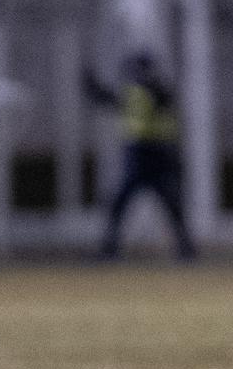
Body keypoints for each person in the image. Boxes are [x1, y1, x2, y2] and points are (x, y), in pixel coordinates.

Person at [84, 52, 197, 261]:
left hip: (158, 155)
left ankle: (186, 249)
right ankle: (109, 249)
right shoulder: (132, 94)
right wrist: (89, 82)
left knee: (171, 204)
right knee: (119, 204)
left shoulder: (157, 90)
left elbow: (162, 99)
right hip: (136, 155)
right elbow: (106, 98)